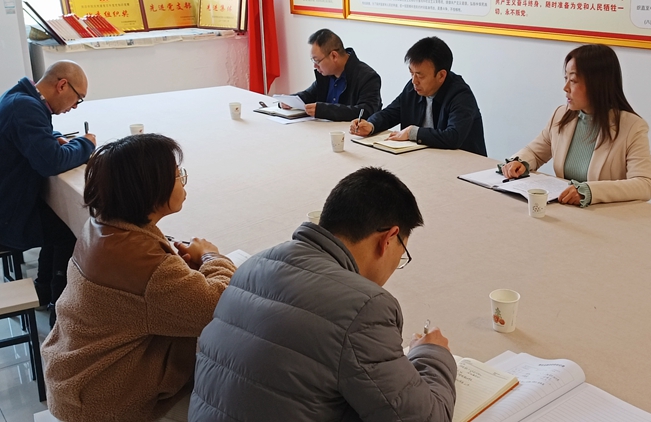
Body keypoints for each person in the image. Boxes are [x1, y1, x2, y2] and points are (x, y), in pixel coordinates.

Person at [190, 167, 457, 421]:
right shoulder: (365, 307)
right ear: (388, 238)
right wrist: (431, 354)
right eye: (402, 254)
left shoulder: (254, 264)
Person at [41, 134, 237, 422]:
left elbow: (146, 292)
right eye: (177, 175)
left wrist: (179, 268)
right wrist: (211, 257)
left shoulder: (100, 225)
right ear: (150, 188)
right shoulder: (148, 267)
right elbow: (219, 307)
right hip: (105, 402)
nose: (183, 182)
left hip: (75, 379)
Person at [0, 60, 96, 327]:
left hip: (9, 200)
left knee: (59, 217)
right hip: (7, 218)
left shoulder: (20, 97)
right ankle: (59, 310)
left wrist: (53, 137)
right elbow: (51, 163)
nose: (75, 107)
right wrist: (85, 144)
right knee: (72, 228)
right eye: (78, 99)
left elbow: (37, 131)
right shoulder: (25, 108)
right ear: (62, 85)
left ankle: (44, 288)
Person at [500, 44, 651, 207]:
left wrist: (590, 192)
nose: (565, 88)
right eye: (566, 79)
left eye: (573, 81)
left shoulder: (632, 127)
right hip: (564, 210)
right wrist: (521, 162)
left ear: (597, 84)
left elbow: (645, 184)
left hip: (605, 215)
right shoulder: (561, 115)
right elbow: (535, 152)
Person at [350, 36, 487, 156]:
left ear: (441, 75)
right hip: (423, 158)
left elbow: (453, 137)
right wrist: (371, 125)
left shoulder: (460, 95)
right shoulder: (413, 88)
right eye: (411, 73)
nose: (414, 81)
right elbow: (391, 113)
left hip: (463, 164)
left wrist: (412, 132)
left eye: (420, 75)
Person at [289, 29, 382, 121]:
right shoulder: (326, 74)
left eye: (317, 60)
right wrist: (289, 100)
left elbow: (365, 112)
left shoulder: (368, 77)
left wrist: (324, 110)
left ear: (334, 56)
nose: (315, 66)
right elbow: (309, 95)